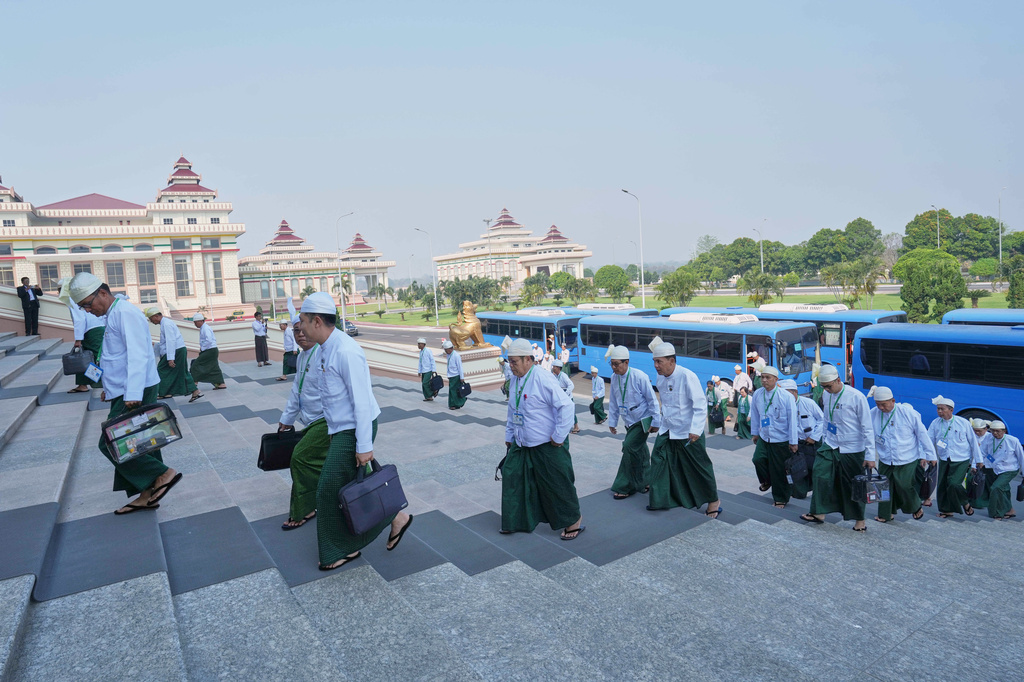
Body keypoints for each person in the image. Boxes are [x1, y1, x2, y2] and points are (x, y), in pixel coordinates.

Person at [299, 292, 412, 570]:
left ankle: (339, 549)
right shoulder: (325, 348)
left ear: (316, 321)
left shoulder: (346, 351)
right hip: (341, 429)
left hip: (354, 430)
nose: (299, 327)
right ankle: (394, 518)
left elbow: (361, 401)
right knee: (341, 488)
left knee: (327, 490)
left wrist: (363, 445)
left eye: (302, 321)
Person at [68, 272, 182, 515]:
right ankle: (146, 495)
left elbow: (139, 354)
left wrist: (132, 392)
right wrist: (110, 389)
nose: (87, 310)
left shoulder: (125, 313)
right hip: (127, 389)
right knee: (142, 442)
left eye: (87, 304)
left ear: (102, 293)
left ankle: (162, 474)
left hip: (136, 389)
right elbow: (116, 357)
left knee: (112, 443)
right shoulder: (114, 313)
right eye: (82, 307)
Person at [500, 338, 584, 540]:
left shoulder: (542, 377)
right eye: (509, 362)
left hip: (547, 444)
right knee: (512, 477)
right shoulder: (514, 380)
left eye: (514, 362)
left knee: (557, 483)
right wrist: (509, 435)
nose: (511, 366)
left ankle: (573, 521)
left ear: (528, 359)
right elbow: (513, 410)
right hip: (522, 443)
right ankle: (517, 520)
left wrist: (558, 436)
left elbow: (566, 406)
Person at [646, 337, 720, 517]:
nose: (656, 366)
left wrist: (696, 429)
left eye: (659, 362)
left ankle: (713, 500)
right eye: (654, 362)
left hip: (688, 432)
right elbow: (664, 403)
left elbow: (700, 405)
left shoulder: (687, 376)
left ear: (671, 361)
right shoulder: (660, 378)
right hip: (667, 429)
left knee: (699, 467)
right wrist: (657, 423)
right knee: (658, 461)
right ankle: (660, 499)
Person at [800, 364, 874, 532]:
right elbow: (827, 419)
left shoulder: (856, 397)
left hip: (852, 448)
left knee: (852, 484)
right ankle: (819, 512)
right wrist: (824, 438)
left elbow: (867, 428)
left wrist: (870, 455)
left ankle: (860, 520)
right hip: (831, 444)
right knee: (819, 473)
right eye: (823, 387)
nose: (826, 390)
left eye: (828, 386)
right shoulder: (827, 395)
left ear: (838, 380)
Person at [277, 315, 327, 530]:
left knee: (300, 457)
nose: (300, 334)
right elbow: (297, 389)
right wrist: (286, 419)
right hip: (311, 421)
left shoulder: (325, 354)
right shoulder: (301, 357)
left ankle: (305, 508)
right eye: (295, 331)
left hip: (328, 420)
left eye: (302, 329)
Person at [867, 386, 936, 524]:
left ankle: (915, 506)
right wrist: (869, 457)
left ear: (892, 401)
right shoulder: (873, 413)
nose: (881, 407)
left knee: (904, 485)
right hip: (886, 458)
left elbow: (922, 434)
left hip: (906, 457)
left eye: (884, 404)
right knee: (884, 487)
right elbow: (867, 436)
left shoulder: (908, 413)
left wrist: (930, 455)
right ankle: (885, 514)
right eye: (878, 404)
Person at [607, 344, 660, 500]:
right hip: (628, 420)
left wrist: (656, 421)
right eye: (612, 364)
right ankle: (647, 481)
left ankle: (624, 485)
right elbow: (614, 402)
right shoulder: (613, 378)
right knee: (640, 450)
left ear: (626, 362)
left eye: (617, 364)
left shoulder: (639, 376)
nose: (614, 367)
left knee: (629, 447)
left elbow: (652, 400)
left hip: (642, 419)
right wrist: (612, 421)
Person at [749, 366, 800, 508]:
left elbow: (792, 421)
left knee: (778, 470)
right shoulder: (758, 394)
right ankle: (766, 480)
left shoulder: (786, 396)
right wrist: (755, 433)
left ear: (776, 380)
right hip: (764, 436)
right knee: (757, 459)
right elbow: (755, 415)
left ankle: (780, 498)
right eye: (762, 377)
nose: (764, 380)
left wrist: (793, 441)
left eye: (768, 378)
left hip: (781, 439)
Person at [926, 395, 982, 518]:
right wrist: (927, 456)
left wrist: (978, 461)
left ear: (951, 410)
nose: (939, 411)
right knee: (942, 485)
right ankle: (946, 510)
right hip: (944, 458)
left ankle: (965, 503)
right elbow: (928, 441)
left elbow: (973, 442)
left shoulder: (963, 423)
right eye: (938, 409)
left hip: (961, 459)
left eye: (942, 409)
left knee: (954, 484)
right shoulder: (935, 423)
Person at [58, 278, 105, 393]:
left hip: (92, 331)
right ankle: (83, 383)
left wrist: (78, 339)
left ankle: (99, 381)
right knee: (82, 356)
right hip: (96, 328)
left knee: (92, 357)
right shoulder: (78, 297)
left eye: (58, 290)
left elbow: (79, 319)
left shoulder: (72, 299)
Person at [146, 308, 202, 403]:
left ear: (156, 316)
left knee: (162, 370)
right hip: (177, 350)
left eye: (151, 319)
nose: (151, 321)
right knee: (180, 371)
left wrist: (170, 358)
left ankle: (165, 392)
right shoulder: (165, 323)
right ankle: (169, 392)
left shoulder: (166, 324)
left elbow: (171, 341)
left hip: (176, 351)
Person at [784, 379, 823, 499]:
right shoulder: (783, 405)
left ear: (795, 392)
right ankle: (798, 493)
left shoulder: (808, 403)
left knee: (813, 468)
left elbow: (822, 420)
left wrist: (814, 437)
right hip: (794, 443)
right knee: (797, 469)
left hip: (811, 443)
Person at [980, 421, 1024, 520]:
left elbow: (1022, 457)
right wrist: (976, 465)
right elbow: (982, 452)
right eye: (993, 431)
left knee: (996, 488)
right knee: (1004, 489)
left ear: (1004, 431)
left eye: (997, 431)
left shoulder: (1013, 441)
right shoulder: (988, 438)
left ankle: (996, 513)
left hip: (1010, 469)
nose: (995, 433)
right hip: (993, 467)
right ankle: (1010, 510)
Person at [190, 313, 227, 389]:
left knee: (196, 364)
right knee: (213, 367)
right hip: (211, 350)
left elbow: (209, 340)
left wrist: (203, 348)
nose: (195, 324)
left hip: (210, 350)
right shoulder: (203, 328)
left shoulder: (206, 328)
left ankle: (195, 381)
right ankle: (221, 383)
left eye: (195, 322)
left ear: (200, 321)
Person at [552, 359, 579, 434]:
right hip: (560, 396)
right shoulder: (555, 376)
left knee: (570, 411)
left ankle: (576, 426)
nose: (553, 368)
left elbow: (571, 385)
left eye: (554, 367)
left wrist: (566, 393)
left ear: (558, 368)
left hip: (567, 396)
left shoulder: (563, 375)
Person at [443, 340, 467, 410]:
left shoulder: (456, 355)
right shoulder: (449, 355)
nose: (446, 351)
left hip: (456, 375)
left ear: (450, 348)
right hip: (451, 375)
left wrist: (462, 377)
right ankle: (456, 403)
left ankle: (454, 404)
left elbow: (460, 367)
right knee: (453, 390)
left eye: (446, 350)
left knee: (452, 390)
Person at [417, 337, 437, 401]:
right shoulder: (421, 352)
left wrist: (433, 370)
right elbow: (420, 362)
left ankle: (431, 393)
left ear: (424, 344)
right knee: (424, 384)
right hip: (423, 371)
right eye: (418, 344)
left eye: (420, 344)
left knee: (425, 383)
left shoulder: (428, 351)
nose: (419, 345)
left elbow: (432, 360)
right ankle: (427, 397)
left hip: (428, 370)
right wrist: (419, 371)